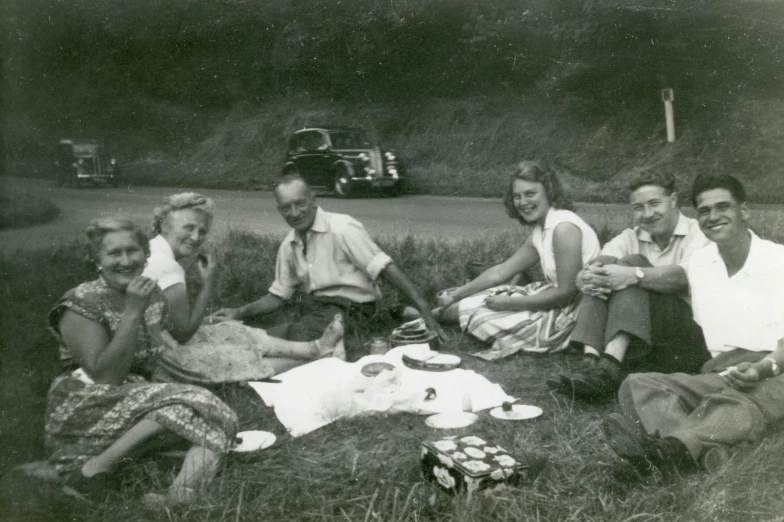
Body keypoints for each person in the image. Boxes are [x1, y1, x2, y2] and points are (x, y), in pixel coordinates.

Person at [45, 218, 238, 507]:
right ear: (96, 260)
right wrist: (133, 311)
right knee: (202, 404)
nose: (126, 261)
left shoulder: (153, 293)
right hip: (86, 401)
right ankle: (93, 470)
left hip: (133, 395)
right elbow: (105, 378)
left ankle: (180, 494)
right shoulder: (80, 302)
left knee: (221, 418)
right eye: (113, 253)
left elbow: (181, 334)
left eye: (133, 251)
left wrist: (207, 282)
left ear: (146, 254)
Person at [602, 174, 784, 475]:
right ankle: (694, 450)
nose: (713, 217)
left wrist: (761, 369)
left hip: (775, 370)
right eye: (704, 211)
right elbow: (668, 282)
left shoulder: (778, 261)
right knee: (638, 384)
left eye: (723, 207)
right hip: (722, 372)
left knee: (736, 400)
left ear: (745, 211)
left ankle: (673, 449)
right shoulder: (700, 265)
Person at [212, 175, 446, 351]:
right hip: (315, 308)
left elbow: (384, 268)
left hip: (351, 310)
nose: (294, 213)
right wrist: (239, 312)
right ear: (279, 210)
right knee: (265, 321)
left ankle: (243, 346)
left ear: (313, 199)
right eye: (286, 208)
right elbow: (278, 296)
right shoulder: (289, 244)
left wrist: (424, 308)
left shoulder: (341, 228)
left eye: (300, 203)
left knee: (287, 336)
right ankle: (237, 338)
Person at [142, 193, 346, 383]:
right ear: (165, 226)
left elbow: (166, 320)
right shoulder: (168, 267)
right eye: (188, 228)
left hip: (154, 344)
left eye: (202, 231)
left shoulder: (152, 250)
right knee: (229, 358)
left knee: (229, 330)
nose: (196, 237)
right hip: (160, 359)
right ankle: (317, 359)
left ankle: (313, 348)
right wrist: (208, 284)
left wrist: (209, 321)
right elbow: (183, 334)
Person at [548, 169, 711, 399]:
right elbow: (596, 266)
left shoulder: (698, 234)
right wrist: (587, 276)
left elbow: (686, 276)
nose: (648, 213)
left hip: (689, 339)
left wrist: (634, 274)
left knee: (632, 265)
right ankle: (591, 363)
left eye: (655, 203)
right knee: (606, 270)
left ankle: (609, 365)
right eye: (638, 207)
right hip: (647, 339)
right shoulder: (632, 236)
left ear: (673, 200)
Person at [435, 160, 601, 360]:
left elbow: (566, 293)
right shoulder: (543, 228)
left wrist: (510, 304)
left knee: (482, 312)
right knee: (474, 301)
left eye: (530, 194)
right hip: (556, 299)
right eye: (517, 196)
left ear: (549, 191)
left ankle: (424, 317)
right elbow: (501, 271)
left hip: (573, 314)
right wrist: (457, 295)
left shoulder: (563, 228)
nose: (523, 202)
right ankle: (431, 315)